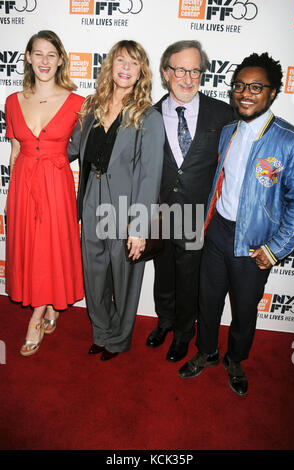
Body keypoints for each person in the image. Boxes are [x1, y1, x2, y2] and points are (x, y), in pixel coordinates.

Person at [179, 52, 294, 396]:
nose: (245, 93)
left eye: (256, 87)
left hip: (255, 242)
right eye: (240, 86)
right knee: (208, 301)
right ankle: (207, 352)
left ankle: (236, 359)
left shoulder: (290, 141)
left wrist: (274, 250)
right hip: (218, 232)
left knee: (245, 308)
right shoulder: (228, 130)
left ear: (273, 92)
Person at [68, 40, 164, 361]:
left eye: (133, 64)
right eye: (120, 61)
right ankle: (101, 331)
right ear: (110, 65)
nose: (125, 68)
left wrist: (138, 227)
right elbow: (70, 149)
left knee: (123, 276)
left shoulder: (148, 117)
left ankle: (119, 339)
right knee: (94, 272)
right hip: (92, 197)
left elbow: (149, 176)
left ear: (141, 72)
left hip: (125, 206)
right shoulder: (90, 106)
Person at [145, 40, 234, 362]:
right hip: (159, 213)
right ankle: (164, 322)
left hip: (199, 217)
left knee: (189, 279)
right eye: (180, 69)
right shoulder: (149, 115)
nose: (187, 78)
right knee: (163, 274)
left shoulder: (223, 114)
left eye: (195, 70)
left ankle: (184, 333)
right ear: (166, 73)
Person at [5, 30, 84, 356]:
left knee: (50, 249)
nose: (45, 61)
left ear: (61, 59)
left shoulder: (78, 103)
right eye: (38, 53)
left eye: (51, 54)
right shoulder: (12, 101)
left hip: (55, 185)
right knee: (32, 250)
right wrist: (11, 196)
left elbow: (85, 149)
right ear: (27, 57)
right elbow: (13, 151)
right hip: (24, 183)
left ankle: (36, 317)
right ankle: (48, 305)